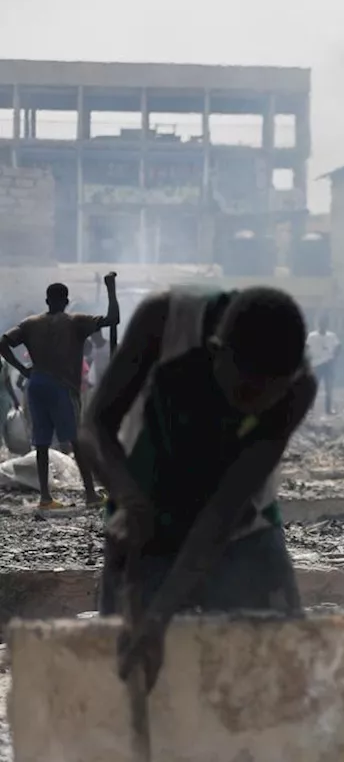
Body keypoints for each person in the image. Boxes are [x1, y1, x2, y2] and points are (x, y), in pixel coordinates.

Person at [81, 286, 316, 692]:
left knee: (282, 675)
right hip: (146, 524)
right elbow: (93, 426)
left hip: (243, 530)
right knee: (129, 674)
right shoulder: (165, 322)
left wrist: (160, 616)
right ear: (216, 352)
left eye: (267, 398)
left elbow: (223, 510)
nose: (252, 408)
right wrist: (130, 501)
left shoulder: (298, 389)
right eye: (244, 392)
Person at [0, 278, 119, 510]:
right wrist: (110, 289)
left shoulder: (29, 323)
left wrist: (23, 369)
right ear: (66, 301)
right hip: (61, 385)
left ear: (47, 301)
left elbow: (3, 342)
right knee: (76, 439)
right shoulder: (76, 321)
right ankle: (90, 494)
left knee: (41, 443)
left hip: (36, 384)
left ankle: (45, 497)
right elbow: (113, 319)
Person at [306, 315, 340, 415]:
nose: (323, 325)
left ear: (327, 324)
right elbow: (307, 348)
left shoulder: (332, 336)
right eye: (321, 323)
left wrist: (334, 357)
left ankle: (328, 409)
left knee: (329, 388)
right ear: (318, 324)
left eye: (325, 323)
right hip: (316, 364)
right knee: (313, 387)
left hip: (328, 364)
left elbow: (338, 346)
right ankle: (310, 408)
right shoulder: (312, 336)